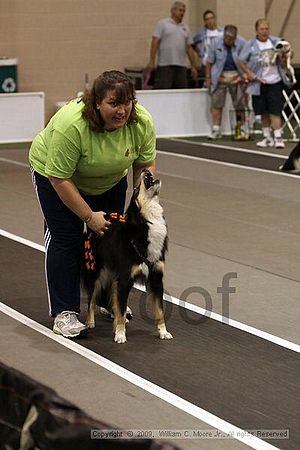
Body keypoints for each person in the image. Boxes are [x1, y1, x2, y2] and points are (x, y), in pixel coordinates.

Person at [29, 70, 156, 338]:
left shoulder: (141, 122)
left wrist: (141, 200)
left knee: (111, 239)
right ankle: (64, 312)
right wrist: (88, 216)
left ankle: (105, 300)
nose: (121, 111)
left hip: (109, 179)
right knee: (67, 237)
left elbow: (145, 164)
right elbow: (59, 177)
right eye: (113, 103)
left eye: (127, 102)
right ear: (97, 102)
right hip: (57, 176)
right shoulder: (71, 125)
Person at [239, 18, 294, 149]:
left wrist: (286, 56)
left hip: (275, 81)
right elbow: (241, 60)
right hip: (258, 82)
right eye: (262, 29)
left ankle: (278, 137)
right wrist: (249, 73)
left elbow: (290, 52)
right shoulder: (250, 44)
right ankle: (267, 137)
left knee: (275, 110)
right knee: (262, 110)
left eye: (266, 29)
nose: (264, 32)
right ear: (256, 31)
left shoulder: (277, 41)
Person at [205, 25, 246, 139]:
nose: (229, 41)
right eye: (227, 38)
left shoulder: (242, 43)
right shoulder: (215, 43)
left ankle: (240, 129)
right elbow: (209, 62)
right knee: (217, 104)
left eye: (232, 39)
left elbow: (246, 61)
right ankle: (216, 130)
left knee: (239, 104)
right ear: (223, 35)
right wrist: (208, 78)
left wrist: (244, 76)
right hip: (220, 76)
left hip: (237, 76)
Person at [146, 1, 198, 89]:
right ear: (173, 11)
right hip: (165, 65)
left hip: (181, 66)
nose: (182, 13)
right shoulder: (163, 24)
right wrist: (152, 61)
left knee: (181, 92)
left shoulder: (185, 27)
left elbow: (189, 48)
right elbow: (155, 42)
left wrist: (193, 66)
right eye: (180, 10)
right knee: (163, 91)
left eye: (184, 11)